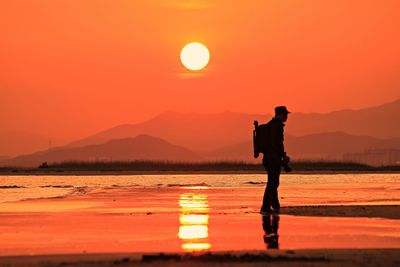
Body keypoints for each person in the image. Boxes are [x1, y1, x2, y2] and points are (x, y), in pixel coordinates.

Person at [260, 106, 290, 214]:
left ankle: (275, 205)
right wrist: (282, 156)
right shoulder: (276, 126)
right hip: (273, 158)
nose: (286, 117)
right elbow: (277, 144)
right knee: (273, 183)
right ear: (278, 115)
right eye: (284, 114)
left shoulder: (272, 125)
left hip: (269, 158)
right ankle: (265, 207)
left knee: (273, 182)